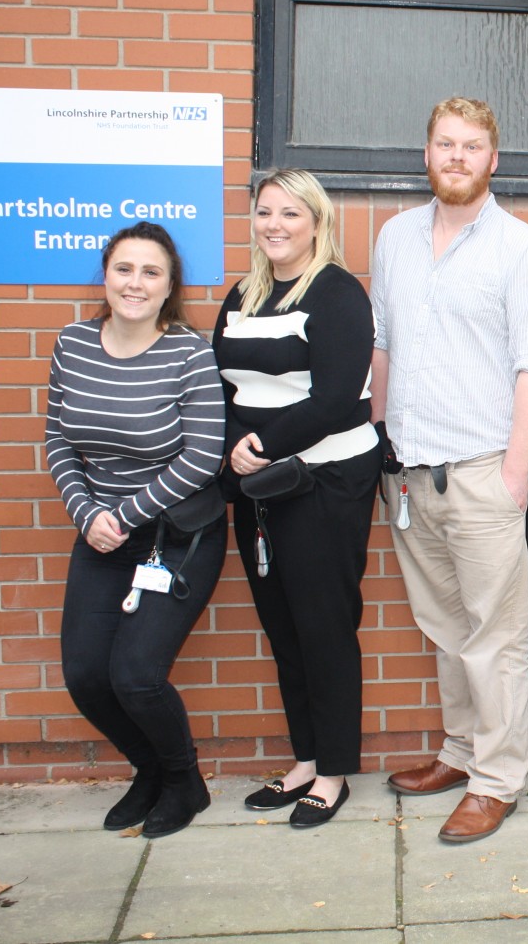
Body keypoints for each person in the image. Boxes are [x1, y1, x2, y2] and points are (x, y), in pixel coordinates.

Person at [376, 97, 528, 844]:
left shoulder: (523, 251)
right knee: (447, 631)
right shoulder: (394, 237)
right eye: (446, 144)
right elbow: (383, 346)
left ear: (494, 159)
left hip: (484, 472)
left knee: (495, 639)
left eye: (472, 145)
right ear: (426, 153)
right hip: (411, 474)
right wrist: (382, 443)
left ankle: (497, 780)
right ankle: (459, 754)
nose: (457, 156)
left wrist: (515, 474)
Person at [45, 222, 227, 838]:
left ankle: (185, 782)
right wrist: (86, 514)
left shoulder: (188, 353)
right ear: (105, 276)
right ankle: (150, 772)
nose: (135, 283)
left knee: (136, 676)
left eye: (151, 272)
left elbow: (202, 457)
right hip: (100, 533)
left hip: (175, 538)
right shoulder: (73, 344)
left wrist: (122, 515)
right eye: (124, 269)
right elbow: (58, 439)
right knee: (87, 677)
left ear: (169, 286)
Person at [212, 169, 381, 828]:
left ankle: (333, 772)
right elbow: (221, 385)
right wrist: (238, 445)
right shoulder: (244, 294)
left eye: (290, 213)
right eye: (265, 212)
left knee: (324, 628)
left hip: (324, 483)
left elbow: (336, 397)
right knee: (283, 629)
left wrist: (261, 444)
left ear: (316, 221)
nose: (275, 224)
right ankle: (305, 760)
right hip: (258, 487)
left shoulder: (337, 292)